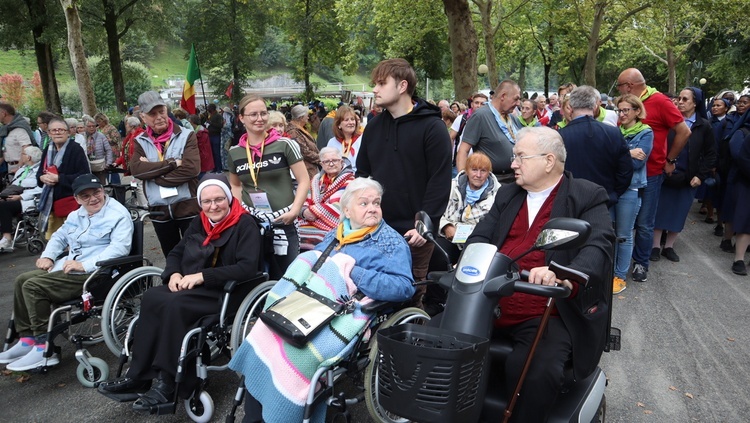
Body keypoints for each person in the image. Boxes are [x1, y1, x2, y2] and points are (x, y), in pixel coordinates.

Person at [230, 177, 416, 423]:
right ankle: (255, 418)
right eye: (364, 203)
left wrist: (352, 272)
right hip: (313, 301)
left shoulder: (391, 243)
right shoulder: (336, 233)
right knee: (264, 335)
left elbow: (404, 288)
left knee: (297, 356)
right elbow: (316, 265)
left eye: (376, 203)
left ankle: (281, 415)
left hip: (348, 311)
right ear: (347, 210)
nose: (372, 208)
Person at [467, 126, 614, 423]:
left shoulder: (587, 195)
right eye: (514, 157)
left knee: (535, 369)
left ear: (549, 161)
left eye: (521, 156)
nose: (512, 164)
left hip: (547, 308)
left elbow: (599, 245)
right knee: (437, 341)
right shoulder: (508, 193)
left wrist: (563, 275)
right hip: (490, 300)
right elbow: (479, 237)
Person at [97, 174, 261, 410]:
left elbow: (247, 267)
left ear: (229, 198)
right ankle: (139, 376)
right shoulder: (201, 222)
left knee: (175, 306)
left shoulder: (245, 224)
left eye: (219, 199)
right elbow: (176, 253)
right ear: (200, 203)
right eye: (207, 201)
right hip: (195, 286)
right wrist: (172, 274)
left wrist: (203, 276)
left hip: (228, 291)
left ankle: (169, 383)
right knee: (153, 297)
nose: (213, 206)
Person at [0, 173, 133, 371]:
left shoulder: (117, 214)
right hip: (69, 267)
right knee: (22, 279)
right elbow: (59, 237)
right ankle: (27, 340)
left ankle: (44, 347)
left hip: (97, 274)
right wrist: (49, 256)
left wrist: (85, 265)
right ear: (77, 199)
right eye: (85, 196)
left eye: (96, 192)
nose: (93, 198)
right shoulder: (76, 214)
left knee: (33, 287)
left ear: (103, 191)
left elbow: (119, 249)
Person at [355, 58, 452, 308]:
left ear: (402, 86)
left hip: (414, 233)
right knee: (370, 298)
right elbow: (363, 175)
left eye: (381, 83)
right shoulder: (374, 126)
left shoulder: (433, 127)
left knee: (408, 298)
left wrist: (424, 223)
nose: (375, 89)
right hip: (375, 230)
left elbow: (440, 181)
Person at [616, 68, 691, 282]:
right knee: (623, 223)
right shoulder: (625, 107)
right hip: (626, 175)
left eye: (620, 85)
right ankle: (619, 264)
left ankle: (641, 263)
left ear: (629, 86)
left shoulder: (660, 101)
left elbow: (684, 131)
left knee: (645, 223)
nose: (619, 89)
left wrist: (670, 160)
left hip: (651, 174)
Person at [228, 94, 311, 280]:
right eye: (253, 114)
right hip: (253, 223)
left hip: (284, 220)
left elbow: (304, 179)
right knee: (258, 275)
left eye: (263, 113)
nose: (260, 119)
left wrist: (295, 210)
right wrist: (240, 210)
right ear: (241, 118)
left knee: (288, 276)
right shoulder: (235, 152)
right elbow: (235, 185)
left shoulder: (284, 145)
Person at [130, 91, 201, 258]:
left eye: (161, 111)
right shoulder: (139, 141)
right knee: (172, 257)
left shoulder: (186, 135)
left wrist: (155, 175)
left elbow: (191, 169)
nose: (159, 117)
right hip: (159, 209)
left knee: (195, 256)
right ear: (143, 117)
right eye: (152, 114)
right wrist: (172, 163)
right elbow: (137, 170)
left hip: (187, 206)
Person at [651, 87, 716, 263]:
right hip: (664, 173)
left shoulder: (704, 125)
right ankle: (655, 246)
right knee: (659, 210)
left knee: (679, 212)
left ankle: (669, 247)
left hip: (689, 176)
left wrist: (700, 176)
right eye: (679, 98)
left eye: (685, 99)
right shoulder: (670, 120)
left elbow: (710, 154)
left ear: (695, 103)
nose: (680, 101)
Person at [558, 85, 633, 209]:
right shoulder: (613, 134)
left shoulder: (559, 136)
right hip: (602, 200)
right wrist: (612, 195)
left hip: (569, 201)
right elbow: (625, 171)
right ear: (595, 106)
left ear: (570, 107)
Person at [611, 94, 653, 295]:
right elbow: (607, 157)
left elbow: (638, 163)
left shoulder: (646, 133)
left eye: (626, 110)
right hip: (613, 188)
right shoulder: (614, 131)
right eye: (620, 110)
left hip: (630, 188)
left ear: (637, 111)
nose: (622, 114)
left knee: (624, 235)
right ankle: (609, 273)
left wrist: (618, 153)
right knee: (611, 234)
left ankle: (619, 276)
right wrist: (628, 151)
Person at [436, 151, 499, 267]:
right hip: (449, 237)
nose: (478, 175)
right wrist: (446, 226)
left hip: (477, 243)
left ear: (488, 173)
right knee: (438, 253)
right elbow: (436, 210)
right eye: (474, 170)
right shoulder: (451, 186)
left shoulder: (497, 193)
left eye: (483, 171)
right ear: (467, 171)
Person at [457, 80, 522, 182]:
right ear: (503, 96)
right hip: (491, 181)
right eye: (516, 99)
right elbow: (463, 151)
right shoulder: (480, 116)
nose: (518, 103)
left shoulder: (512, 118)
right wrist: (463, 181)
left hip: (514, 178)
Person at [36, 118, 90, 238]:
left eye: (61, 130)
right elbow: (39, 173)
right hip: (52, 204)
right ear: (49, 133)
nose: (57, 132)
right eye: (54, 130)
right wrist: (42, 178)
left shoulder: (75, 149)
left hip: (71, 202)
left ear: (67, 132)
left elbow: (84, 175)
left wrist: (60, 178)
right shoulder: (47, 150)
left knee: (74, 238)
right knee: (54, 240)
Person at [297, 147, 355, 250]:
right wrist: (304, 212)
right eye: (327, 161)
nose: (331, 164)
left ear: (341, 161)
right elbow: (305, 199)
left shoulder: (350, 180)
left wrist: (313, 212)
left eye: (335, 160)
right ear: (321, 164)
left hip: (333, 224)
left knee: (322, 239)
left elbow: (340, 206)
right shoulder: (316, 179)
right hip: (312, 220)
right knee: (294, 234)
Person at [0, 146, 43, 251]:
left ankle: (7, 238)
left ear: (29, 157)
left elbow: (41, 189)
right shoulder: (22, 169)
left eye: (23, 154)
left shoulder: (40, 171)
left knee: (4, 206)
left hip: (28, 200)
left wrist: (20, 197)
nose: (21, 156)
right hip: (13, 195)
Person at [286, 104, 320, 181]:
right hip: (305, 169)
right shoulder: (293, 131)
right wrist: (321, 158)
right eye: (307, 116)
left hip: (311, 167)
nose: (308, 117)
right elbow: (304, 152)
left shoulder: (300, 128)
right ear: (301, 117)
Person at [0, 102, 35, 174]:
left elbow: (26, 147)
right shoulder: (5, 129)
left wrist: (19, 168)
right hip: (10, 167)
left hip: (21, 168)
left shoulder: (19, 128)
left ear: (3, 113)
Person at [326, 105, 361, 171]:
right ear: (339, 125)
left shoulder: (362, 139)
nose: (350, 122)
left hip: (358, 178)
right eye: (346, 120)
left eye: (352, 119)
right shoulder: (332, 142)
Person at [82, 115, 113, 185]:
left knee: (101, 185)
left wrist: (108, 163)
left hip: (100, 166)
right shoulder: (82, 137)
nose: (92, 128)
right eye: (89, 126)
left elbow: (108, 150)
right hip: (87, 166)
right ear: (85, 127)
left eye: (93, 126)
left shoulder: (101, 136)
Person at [206, 104, 224, 172]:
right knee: (212, 153)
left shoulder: (218, 116)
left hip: (216, 136)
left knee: (217, 153)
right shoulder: (210, 116)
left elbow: (220, 126)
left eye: (209, 108)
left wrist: (211, 123)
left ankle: (219, 168)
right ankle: (214, 168)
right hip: (210, 135)